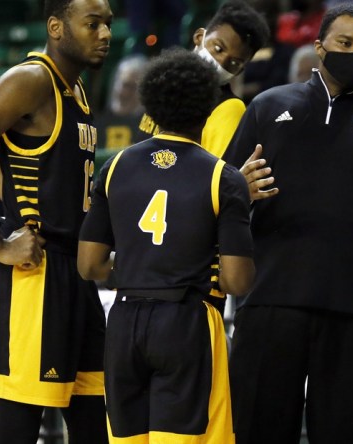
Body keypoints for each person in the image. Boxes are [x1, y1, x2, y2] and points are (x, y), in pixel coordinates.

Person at [222, 4, 353, 443]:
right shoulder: (267, 106)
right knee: (256, 432)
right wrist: (237, 192)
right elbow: (219, 199)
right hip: (270, 302)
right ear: (319, 47)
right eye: (345, 43)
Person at [0, 0, 114, 442]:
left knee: (96, 422)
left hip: (74, 274)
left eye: (107, 24)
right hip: (35, 277)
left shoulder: (78, 88)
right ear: (56, 26)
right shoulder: (31, 79)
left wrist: (17, 197)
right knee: (18, 428)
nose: (105, 34)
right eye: (92, 24)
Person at [78, 47, 255, 444]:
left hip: (124, 322)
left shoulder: (115, 166)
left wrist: (134, 271)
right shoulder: (223, 177)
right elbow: (238, 280)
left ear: (151, 106)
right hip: (186, 320)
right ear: (208, 107)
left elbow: (89, 265)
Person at [136, 0, 270, 159]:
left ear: (240, 70)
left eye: (234, 63)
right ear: (199, 37)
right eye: (218, 48)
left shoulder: (229, 108)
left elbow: (212, 175)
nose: (221, 63)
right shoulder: (165, 82)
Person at [95, 55, 147, 150]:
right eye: (124, 85)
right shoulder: (96, 125)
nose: (125, 93)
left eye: (132, 87)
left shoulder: (150, 130)